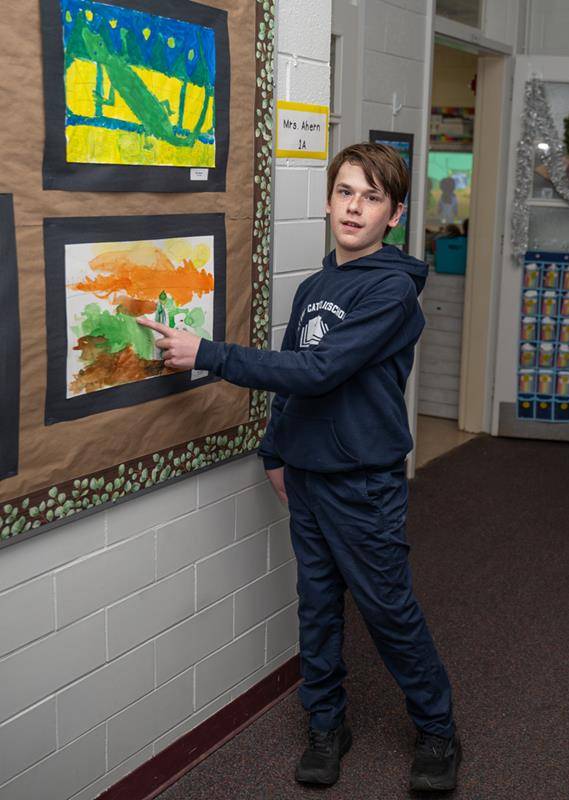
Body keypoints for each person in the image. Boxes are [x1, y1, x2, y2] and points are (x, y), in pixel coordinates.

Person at [137, 142, 461, 793]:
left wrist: (209, 353)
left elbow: (319, 371)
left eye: (371, 197)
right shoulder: (317, 286)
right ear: (327, 200)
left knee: (387, 613)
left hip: (363, 485)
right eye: (345, 191)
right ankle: (325, 725)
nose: (354, 207)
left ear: (393, 215)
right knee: (315, 611)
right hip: (309, 480)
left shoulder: (392, 291)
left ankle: (435, 729)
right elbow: (291, 382)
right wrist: (275, 451)